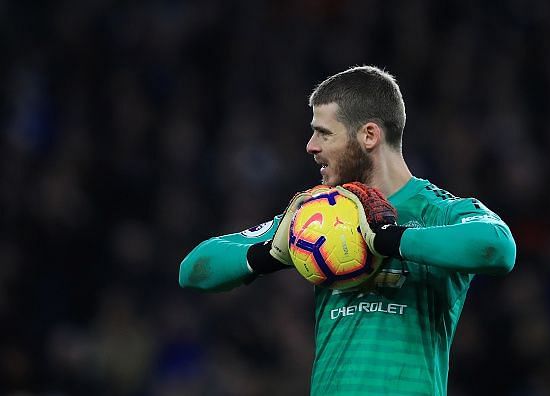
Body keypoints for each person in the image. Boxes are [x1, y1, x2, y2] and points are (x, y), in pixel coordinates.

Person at [179, 66, 516, 395]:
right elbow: (193, 270)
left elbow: (497, 248)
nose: (311, 146)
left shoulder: (439, 210)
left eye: (323, 133)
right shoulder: (319, 218)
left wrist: (389, 239)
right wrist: (269, 254)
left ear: (369, 135)